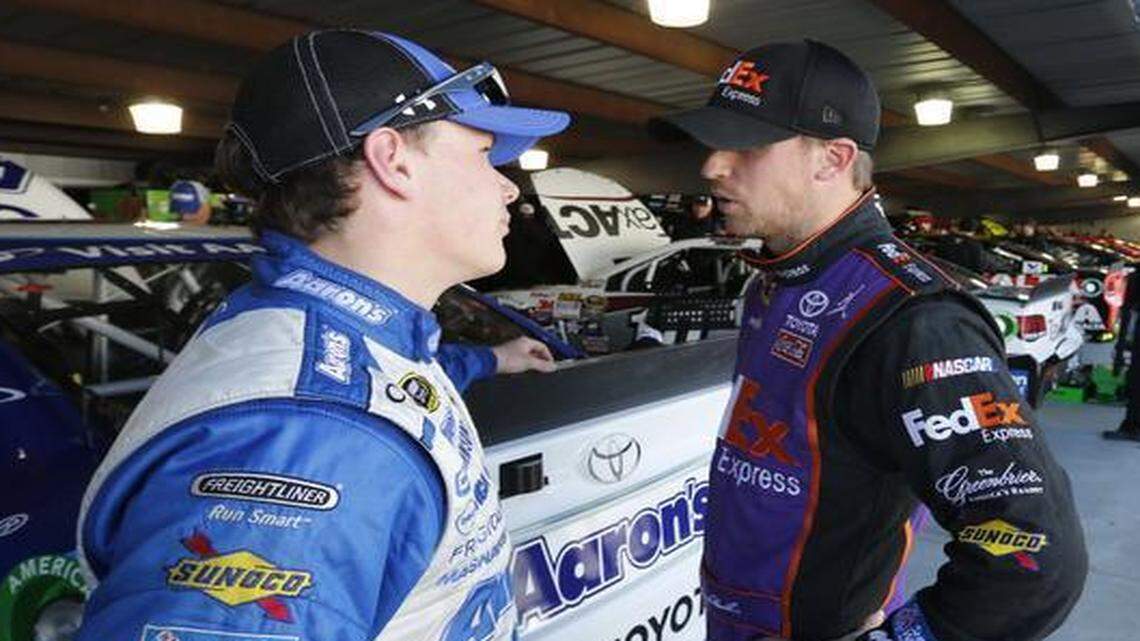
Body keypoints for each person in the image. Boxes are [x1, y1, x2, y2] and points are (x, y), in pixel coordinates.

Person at [75, 30, 568, 641]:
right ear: (395, 160)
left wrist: (494, 359)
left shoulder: (337, 328)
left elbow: (402, 379)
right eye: (483, 153)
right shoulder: (307, 439)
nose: (508, 185)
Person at [650, 40, 1086, 641]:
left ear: (833, 158)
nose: (711, 166)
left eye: (745, 144)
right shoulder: (776, 280)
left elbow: (1036, 556)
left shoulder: (913, 319)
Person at [1106, 268, 1140, 441]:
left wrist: (1120, 351)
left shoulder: (1135, 277)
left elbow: (1127, 312)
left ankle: (1132, 426)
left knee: (1136, 381)